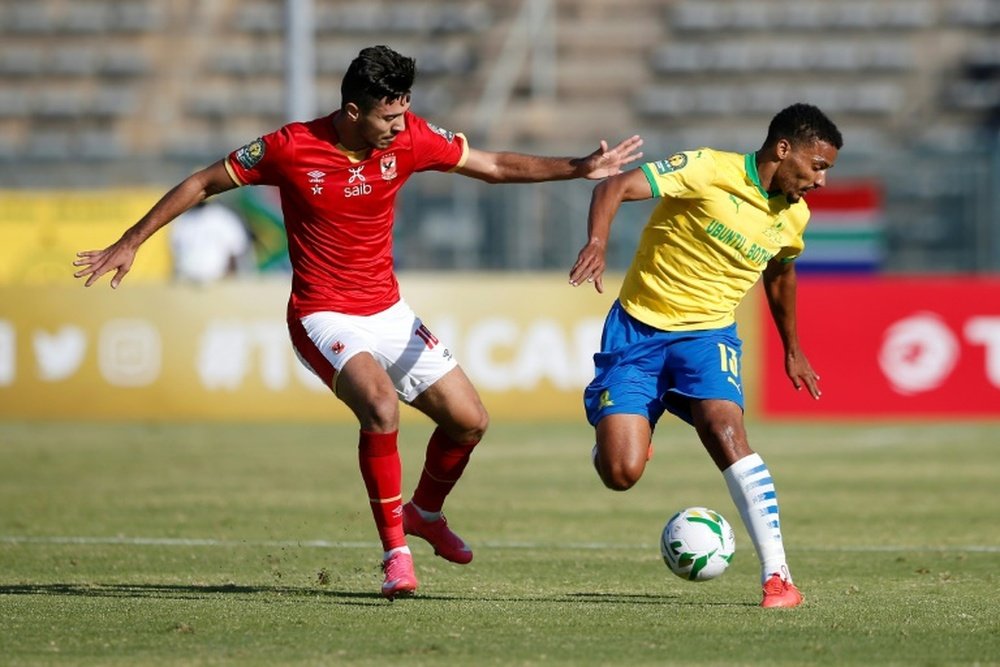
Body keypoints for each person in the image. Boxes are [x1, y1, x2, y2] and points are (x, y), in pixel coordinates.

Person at [73, 45, 644, 600]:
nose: (401, 125)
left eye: (404, 112)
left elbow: (491, 165)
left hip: (389, 312)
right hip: (322, 313)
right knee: (380, 405)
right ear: (353, 112)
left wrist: (580, 168)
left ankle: (424, 513)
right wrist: (131, 241)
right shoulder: (290, 147)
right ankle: (396, 553)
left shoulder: (411, 136)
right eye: (388, 116)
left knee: (470, 422)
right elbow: (202, 181)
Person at [568, 103, 842, 608]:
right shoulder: (707, 169)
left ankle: (778, 578)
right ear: (783, 150)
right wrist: (598, 242)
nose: (820, 181)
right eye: (818, 165)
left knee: (725, 430)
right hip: (637, 330)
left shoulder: (794, 214)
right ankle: (627, 434)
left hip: (707, 337)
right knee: (620, 473)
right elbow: (613, 186)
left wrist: (793, 348)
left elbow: (780, 273)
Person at [169, 201, 254, 284]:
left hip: (217, 278)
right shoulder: (183, 219)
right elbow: (175, 248)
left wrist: (231, 276)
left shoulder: (222, 217)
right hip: (187, 277)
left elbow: (236, 248)